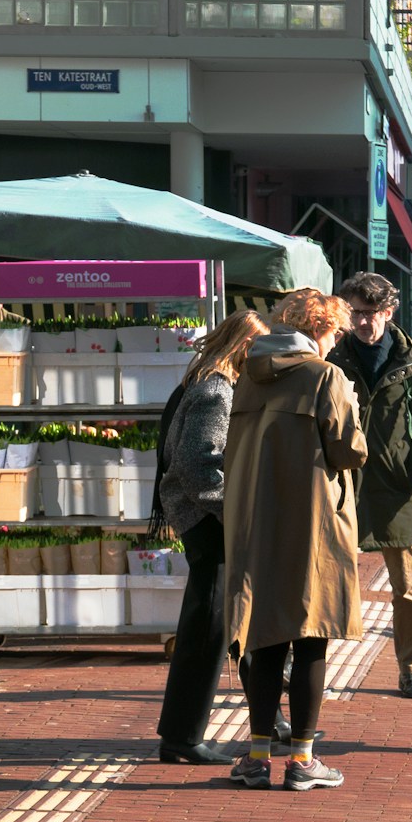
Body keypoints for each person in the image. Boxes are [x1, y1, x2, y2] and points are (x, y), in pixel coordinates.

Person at [222, 292, 368, 790]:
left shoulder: (246, 376)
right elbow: (349, 450)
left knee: (263, 637)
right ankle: (303, 760)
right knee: (310, 635)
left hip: (255, 521)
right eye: (335, 335)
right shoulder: (324, 377)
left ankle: (258, 754)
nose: (335, 345)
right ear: (320, 328)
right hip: (312, 524)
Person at [153, 309, 270, 765]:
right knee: (208, 626)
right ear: (243, 347)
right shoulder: (215, 391)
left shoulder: (209, 382)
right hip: (207, 520)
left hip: (203, 516)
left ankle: (257, 721)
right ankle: (182, 737)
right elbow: (197, 466)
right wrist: (234, 512)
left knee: (221, 622)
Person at [328, 272, 412, 700]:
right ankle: (304, 662)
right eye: (356, 314)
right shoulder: (332, 357)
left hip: (396, 487)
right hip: (341, 485)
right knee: (325, 578)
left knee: (407, 589)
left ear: (389, 312)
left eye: (371, 314)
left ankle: (410, 667)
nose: (362, 323)